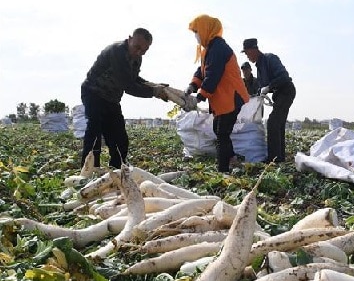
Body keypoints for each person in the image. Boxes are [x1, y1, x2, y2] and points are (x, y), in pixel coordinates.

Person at [80, 28, 169, 168]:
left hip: (112, 99)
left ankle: (117, 171)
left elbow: (134, 79)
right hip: (94, 93)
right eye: (137, 47)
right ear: (129, 39)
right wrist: (154, 92)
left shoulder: (137, 59)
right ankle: (89, 171)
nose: (139, 53)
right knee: (95, 132)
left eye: (143, 51)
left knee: (120, 138)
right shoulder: (117, 52)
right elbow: (128, 86)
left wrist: (155, 86)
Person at [185, 15, 250, 172]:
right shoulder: (208, 50)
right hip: (223, 99)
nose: (196, 36)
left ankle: (223, 170)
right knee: (219, 131)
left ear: (206, 29)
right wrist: (192, 86)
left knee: (222, 134)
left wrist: (199, 97)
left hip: (232, 97)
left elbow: (212, 75)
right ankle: (233, 159)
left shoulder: (218, 48)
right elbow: (202, 72)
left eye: (197, 31)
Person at [241, 38, 296, 163]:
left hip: (286, 91)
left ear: (254, 50)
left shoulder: (270, 58)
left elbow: (284, 77)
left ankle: (274, 159)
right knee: (279, 124)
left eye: (247, 53)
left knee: (272, 123)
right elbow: (261, 87)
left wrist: (270, 87)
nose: (248, 57)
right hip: (279, 94)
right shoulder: (259, 67)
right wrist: (254, 96)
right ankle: (279, 158)